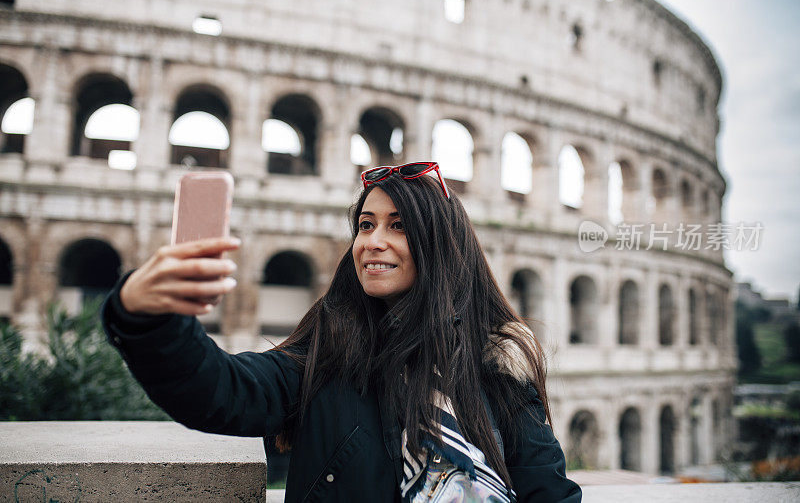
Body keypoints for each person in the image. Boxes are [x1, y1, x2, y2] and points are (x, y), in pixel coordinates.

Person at [102, 162, 582, 502]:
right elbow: (221, 391)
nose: (373, 241)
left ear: (441, 244)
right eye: (366, 224)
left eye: (398, 226)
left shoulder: (498, 365)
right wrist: (147, 316)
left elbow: (548, 491)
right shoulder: (330, 350)